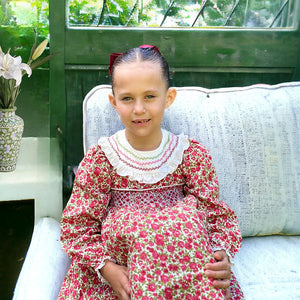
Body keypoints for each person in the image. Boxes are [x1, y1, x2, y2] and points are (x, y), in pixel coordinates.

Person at [59, 45, 244, 300]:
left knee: (187, 223)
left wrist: (221, 253)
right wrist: (107, 269)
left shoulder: (189, 155)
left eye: (149, 96)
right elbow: (77, 226)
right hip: (124, 272)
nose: (138, 109)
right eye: (127, 98)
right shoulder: (102, 159)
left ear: (168, 98)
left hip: (182, 269)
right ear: (114, 102)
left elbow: (214, 214)